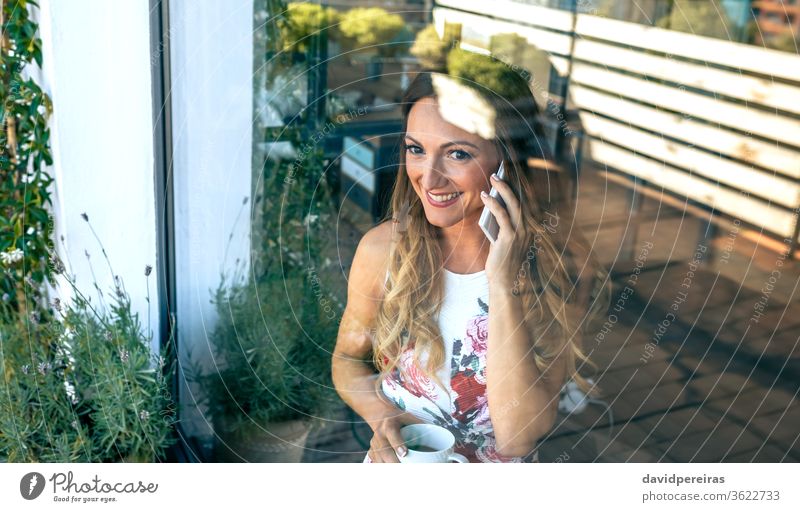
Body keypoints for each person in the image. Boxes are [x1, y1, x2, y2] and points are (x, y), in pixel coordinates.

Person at [332, 52, 610, 463]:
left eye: (458, 154)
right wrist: (384, 417)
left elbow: (518, 438)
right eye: (416, 149)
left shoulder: (559, 267)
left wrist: (502, 282)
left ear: (506, 159)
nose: (428, 177)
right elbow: (346, 360)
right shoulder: (383, 251)